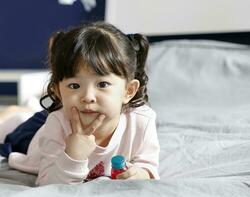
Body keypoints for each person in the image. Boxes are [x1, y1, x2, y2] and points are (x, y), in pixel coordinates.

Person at [1, 21, 160, 186]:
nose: (88, 97)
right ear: (58, 91)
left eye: (102, 84)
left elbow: (148, 165)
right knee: (13, 135)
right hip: (36, 133)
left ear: (128, 91)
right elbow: (46, 184)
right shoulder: (56, 124)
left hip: (60, 114)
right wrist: (73, 156)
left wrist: (141, 173)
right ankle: (15, 113)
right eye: (74, 86)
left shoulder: (142, 121)